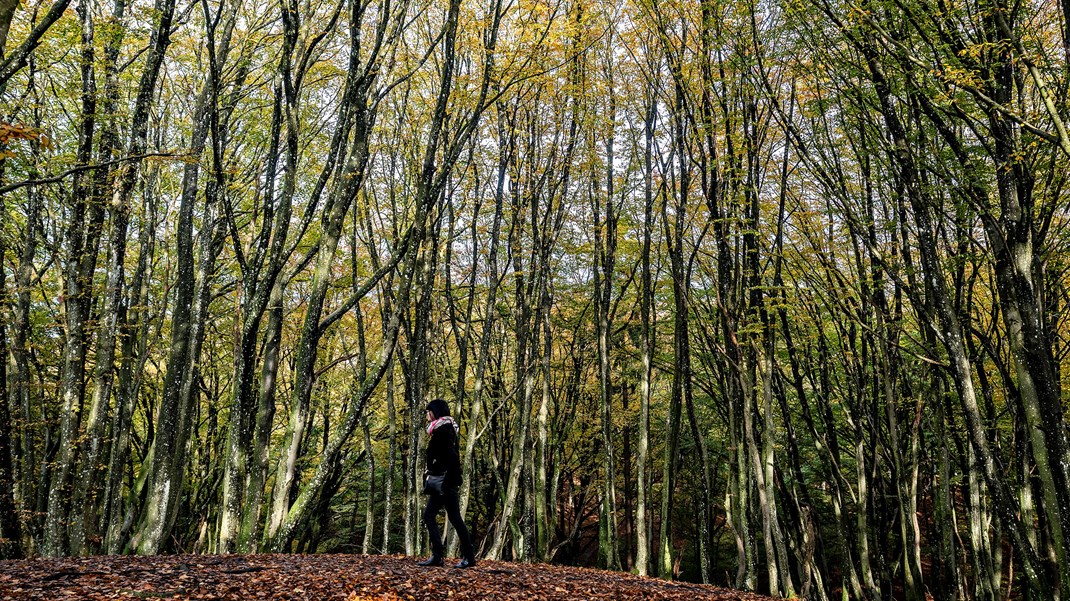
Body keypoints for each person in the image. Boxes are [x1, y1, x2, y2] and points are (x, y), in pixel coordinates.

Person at [417, 398, 476, 568]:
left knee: (453, 518)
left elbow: (450, 456)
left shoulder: (444, 429)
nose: (428, 415)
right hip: (442, 481)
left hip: (444, 482)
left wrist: (436, 468)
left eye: (430, 411)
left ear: (436, 412)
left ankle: (466, 557)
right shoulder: (442, 428)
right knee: (434, 516)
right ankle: (439, 556)